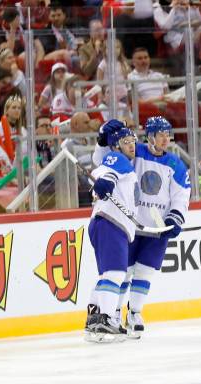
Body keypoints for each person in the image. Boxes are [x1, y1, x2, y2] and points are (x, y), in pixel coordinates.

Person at [93, 116, 191, 338]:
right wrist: (101, 140)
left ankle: (134, 312)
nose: (165, 139)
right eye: (161, 134)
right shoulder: (133, 152)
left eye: (168, 134)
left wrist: (175, 218)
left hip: (157, 227)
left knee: (145, 271)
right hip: (131, 225)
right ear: (150, 137)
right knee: (124, 272)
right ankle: (115, 312)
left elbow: (181, 195)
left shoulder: (175, 164)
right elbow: (104, 161)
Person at [85, 126, 139, 343]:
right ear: (116, 146)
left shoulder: (120, 161)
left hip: (108, 224)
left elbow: (98, 173)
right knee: (116, 274)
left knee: (108, 276)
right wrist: (106, 183)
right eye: (126, 141)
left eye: (132, 141)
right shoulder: (117, 158)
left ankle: (95, 322)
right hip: (111, 222)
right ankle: (106, 320)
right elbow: (105, 175)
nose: (131, 145)